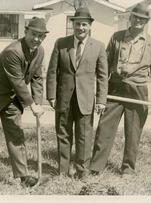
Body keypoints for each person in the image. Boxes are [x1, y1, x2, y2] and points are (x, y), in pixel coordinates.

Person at [0, 17, 49, 187]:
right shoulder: (13, 51)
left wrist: (38, 102)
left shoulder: (40, 51)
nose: (36, 39)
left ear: (44, 37)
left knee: (16, 133)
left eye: (40, 36)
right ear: (26, 32)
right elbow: (18, 81)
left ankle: (23, 176)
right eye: (33, 34)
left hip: (12, 97)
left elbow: (36, 77)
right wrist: (30, 104)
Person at [90, 3, 151, 177]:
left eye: (143, 19)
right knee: (104, 128)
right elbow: (105, 65)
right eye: (136, 17)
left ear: (146, 21)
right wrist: (101, 88)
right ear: (130, 18)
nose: (139, 21)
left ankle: (128, 168)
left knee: (133, 131)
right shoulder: (117, 37)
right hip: (115, 87)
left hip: (137, 90)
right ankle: (96, 166)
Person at [46, 7, 108, 179]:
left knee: (84, 137)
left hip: (86, 100)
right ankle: (63, 171)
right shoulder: (61, 43)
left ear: (89, 26)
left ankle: (82, 171)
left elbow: (103, 76)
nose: (81, 28)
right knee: (63, 134)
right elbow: (52, 72)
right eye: (78, 24)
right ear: (72, 25)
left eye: (84, 25)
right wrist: (51, 95)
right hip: (63, 99)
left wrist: (101, 100)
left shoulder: (98, 47)